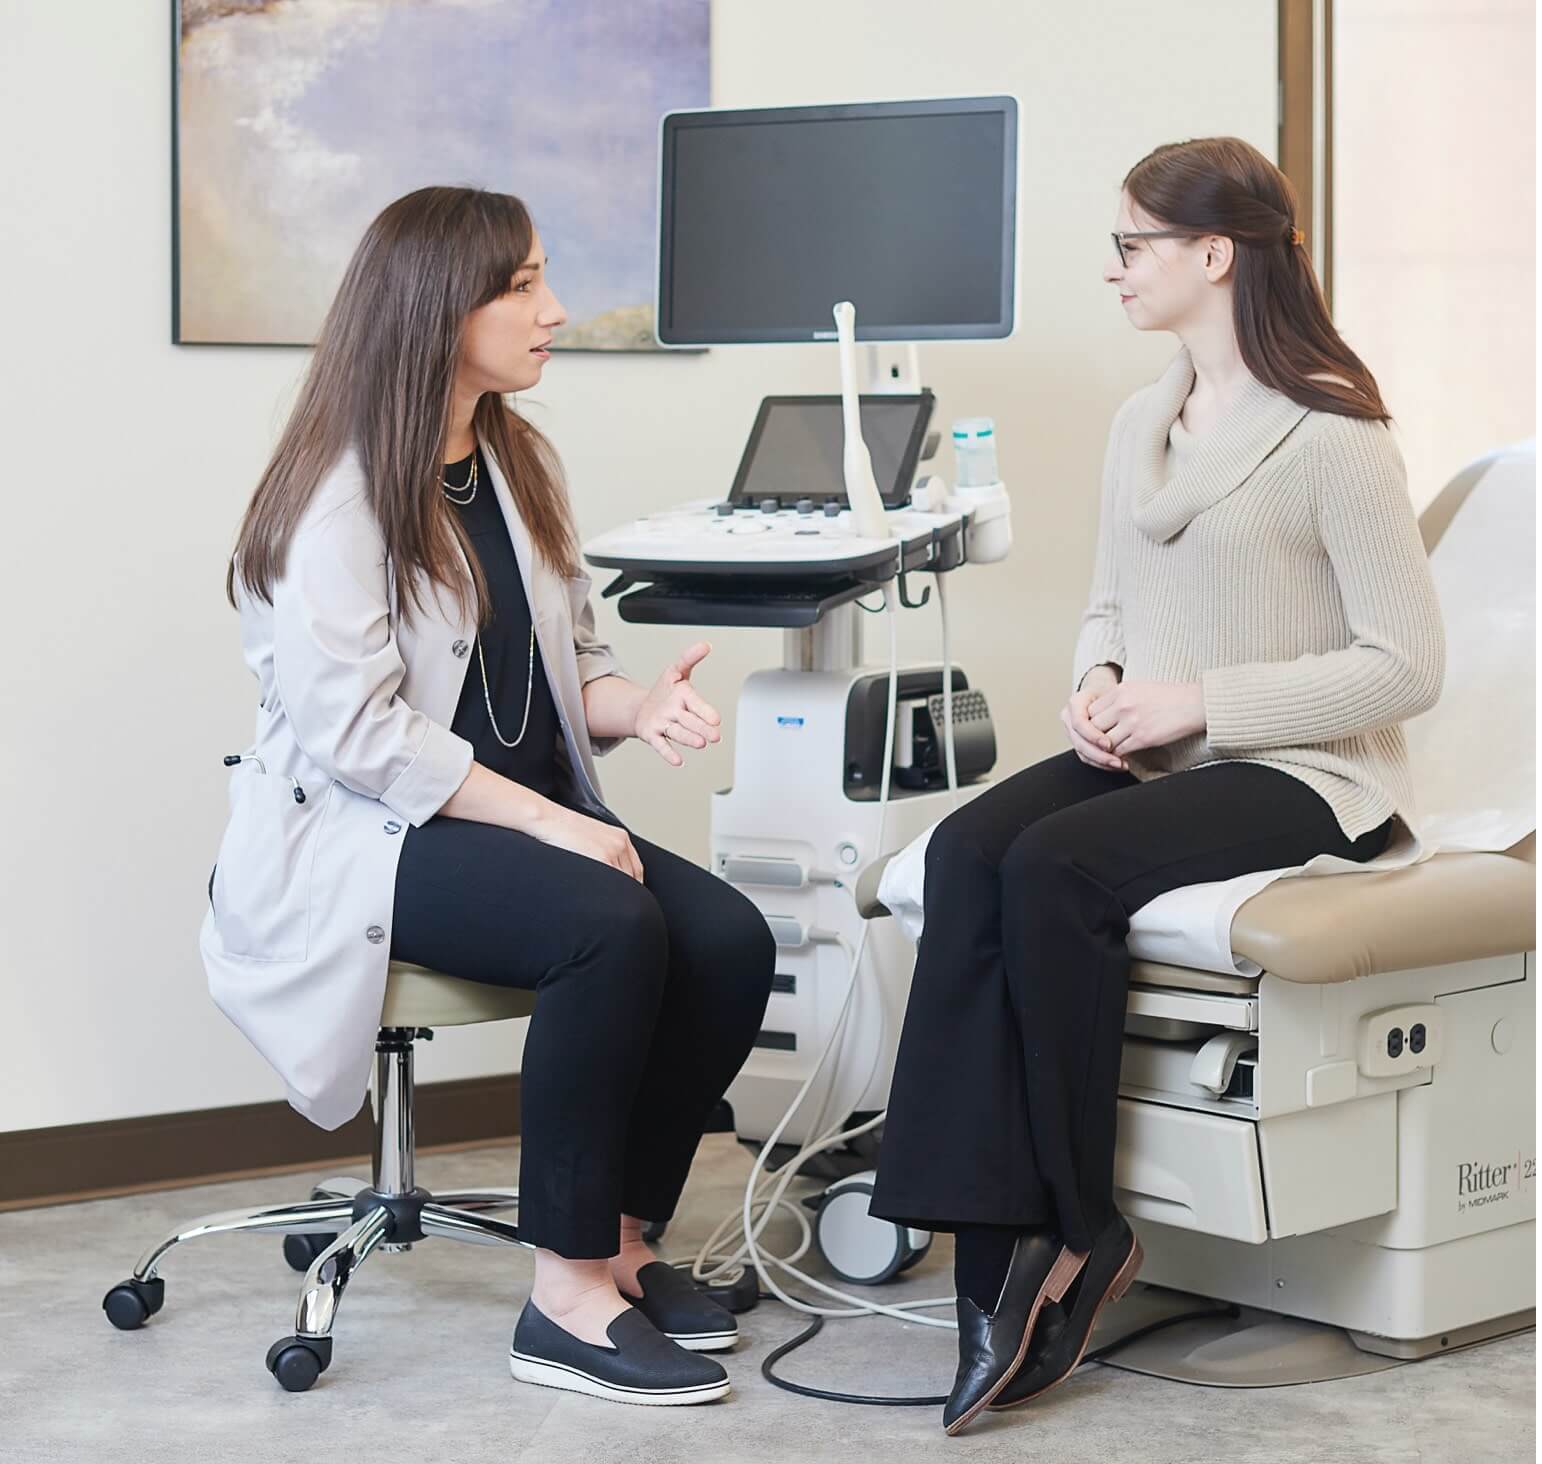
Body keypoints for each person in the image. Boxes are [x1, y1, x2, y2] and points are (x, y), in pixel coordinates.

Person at [868, 137, 1445, 1436]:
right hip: (1157, 754)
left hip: (1304, 775)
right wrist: (1098, 682)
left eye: (1134, 243)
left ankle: (1078, 1231)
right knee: (967, 851)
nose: (1115, 266)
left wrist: (1200, 702)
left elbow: (1405, 666)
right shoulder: (1143, 420)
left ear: (1213, 253)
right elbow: (1109, 605)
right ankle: (990, 1246)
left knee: (1053, 868)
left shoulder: (1333, 438)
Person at [204, 186, 775, 1407]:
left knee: (729, 939)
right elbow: (357, 732)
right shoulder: (339, 495)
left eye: (542, 279)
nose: (553, 309)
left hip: (505, 813)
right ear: (433, 309)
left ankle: (621, 1245)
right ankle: (563, 1299)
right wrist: (559, 821)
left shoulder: (511, 460)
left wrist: (637, 708)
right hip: (375, 833)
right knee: (608, 924)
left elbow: (573, 664)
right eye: (521, 286)